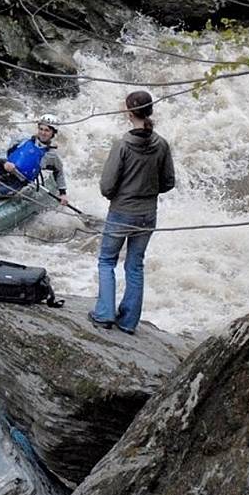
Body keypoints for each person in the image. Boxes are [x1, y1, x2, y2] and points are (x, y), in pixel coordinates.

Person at [88, 90, 175, 335]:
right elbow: (168, 182)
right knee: (135, 265)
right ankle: (128, 322)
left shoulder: (123, 144)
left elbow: (107, 186)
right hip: (148, 214)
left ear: (129, 112)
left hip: (121, 212)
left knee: (107, 261)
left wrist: (121, 193)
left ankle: (104, 314)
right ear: (150, 111)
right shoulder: (161, 144)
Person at [0, 114, 69, 209]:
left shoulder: (51, 155)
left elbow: (59, 172)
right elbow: (4, 153)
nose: (43, 133)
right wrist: (5, 162)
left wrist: (62, 193)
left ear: (53, 133)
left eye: (47, 130)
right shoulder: (23, 138)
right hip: (0, 171)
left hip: (16, 183)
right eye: (41, 129)